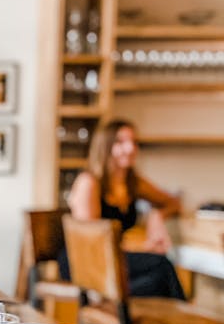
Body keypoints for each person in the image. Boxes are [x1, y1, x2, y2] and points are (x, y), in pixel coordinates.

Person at [64, 119, 184, 300]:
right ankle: (183, 321)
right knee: (161, 264)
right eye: (120, 142)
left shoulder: (132, 183)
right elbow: (91, 239)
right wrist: (140, 246)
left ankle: (125, 321)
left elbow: (173, 203)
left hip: (115, 257)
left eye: (133, 142)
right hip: (84, 260)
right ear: (105, 146)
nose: (130, 148)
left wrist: (156, 215)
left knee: (157, 281)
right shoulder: (89, 182)